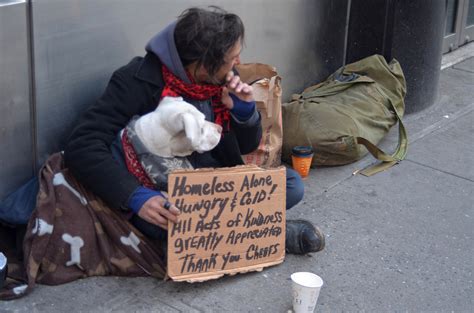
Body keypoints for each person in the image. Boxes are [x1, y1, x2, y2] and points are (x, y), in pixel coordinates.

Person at [64, 6, 324, 255]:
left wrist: (244, 111)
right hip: (164, 188)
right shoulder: (136, 80)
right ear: (200, 65)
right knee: (163, 220)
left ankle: (219, 235)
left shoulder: (220, 79)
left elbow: (245, 147)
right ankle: (271, 236)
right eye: (231, 58)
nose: (238, 63)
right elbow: (83, 144)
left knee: (291, 185)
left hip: (214, 182)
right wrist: (136, 196)